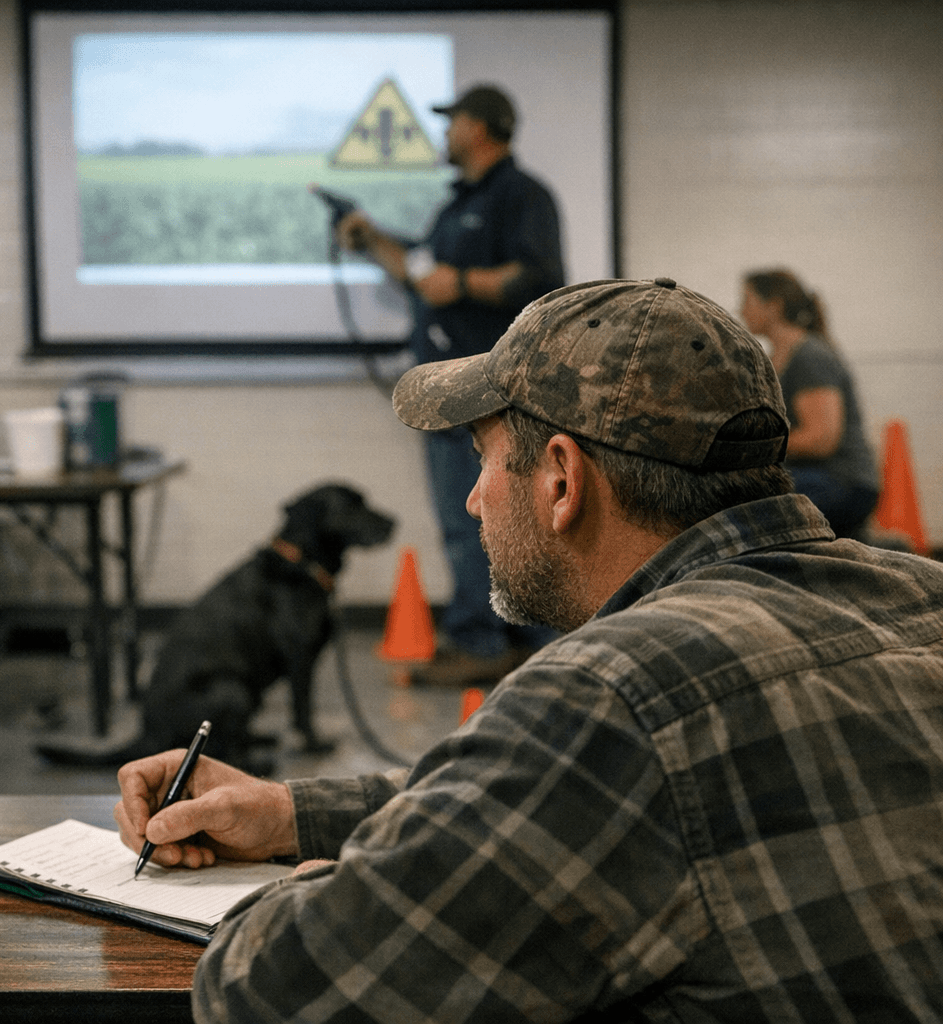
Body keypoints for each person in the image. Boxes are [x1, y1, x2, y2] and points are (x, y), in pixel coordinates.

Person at [115, 277, 943, 1022]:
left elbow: (268, 993)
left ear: (560, 479)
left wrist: (323, 886)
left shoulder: (612, 695)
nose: (474, 499)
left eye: (483, 458)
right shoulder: (919, 601)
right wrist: (298, 816)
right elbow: (605, 792)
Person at [335, 84, 565, 685]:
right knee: (469, 521)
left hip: (498, 393)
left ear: (482, 128)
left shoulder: (521, 195)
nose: (445, 131)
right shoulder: (454, 206)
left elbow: (539, 275)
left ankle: (496, 645)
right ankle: (499, 640)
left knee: (493, 520)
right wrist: (372, 238)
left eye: (453, 120)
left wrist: (462, 284)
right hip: (451, 391)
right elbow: (421, 272)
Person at [740, 268, 879, 538]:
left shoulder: (809, 355)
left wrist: (752, 446)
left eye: (747, 300)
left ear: (774, 306)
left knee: (744, 507)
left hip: (843, 481)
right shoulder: (777, 357)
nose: (741, 310)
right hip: (818, 477)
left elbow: (821, 439)